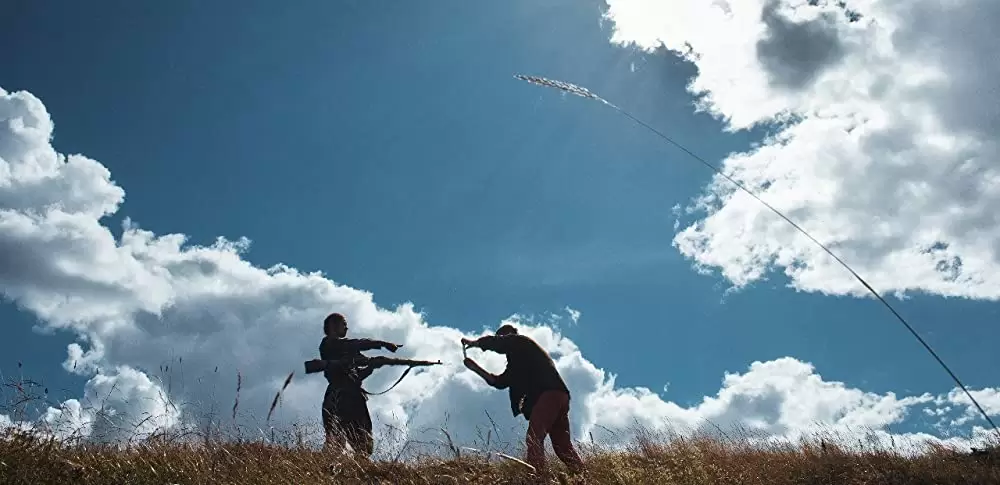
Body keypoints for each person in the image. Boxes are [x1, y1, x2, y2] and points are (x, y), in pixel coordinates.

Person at [461, 324, 585, 477]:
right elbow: (499, 382)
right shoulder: (516, 364)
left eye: (505, 337)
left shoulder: (521, 342)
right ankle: (585, 477)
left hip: (548, 394)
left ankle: (537, 479)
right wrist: (476, 368)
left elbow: (502, 343)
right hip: (559, 395)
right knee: (562, 446)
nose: (503, 339)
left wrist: (476, 343)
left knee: (534, 438)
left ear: (513, 335)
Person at [318, 312, 402, 456]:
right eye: (343, 324)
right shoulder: (330, 344)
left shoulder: (348, 351)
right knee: (337, 443)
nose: (346, 328)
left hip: (351, 396)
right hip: (342, 398)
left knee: (362, 443)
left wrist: (372, 366)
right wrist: (382, 344)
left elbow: (356, 377)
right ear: (333, 326)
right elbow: (357, 343)